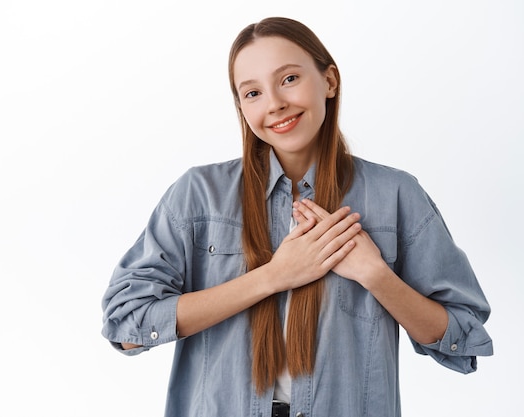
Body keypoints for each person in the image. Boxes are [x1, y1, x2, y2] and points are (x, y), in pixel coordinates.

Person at [101, 16, 493, 417]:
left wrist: (377, 276)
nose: (274, 104)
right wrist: (274, 276)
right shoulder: (197, 197)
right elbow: (128, 324)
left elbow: (463, 333)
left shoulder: (396, 195)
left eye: (288, 79)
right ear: (241, 106)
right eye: (252, 92)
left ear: (330, 81)